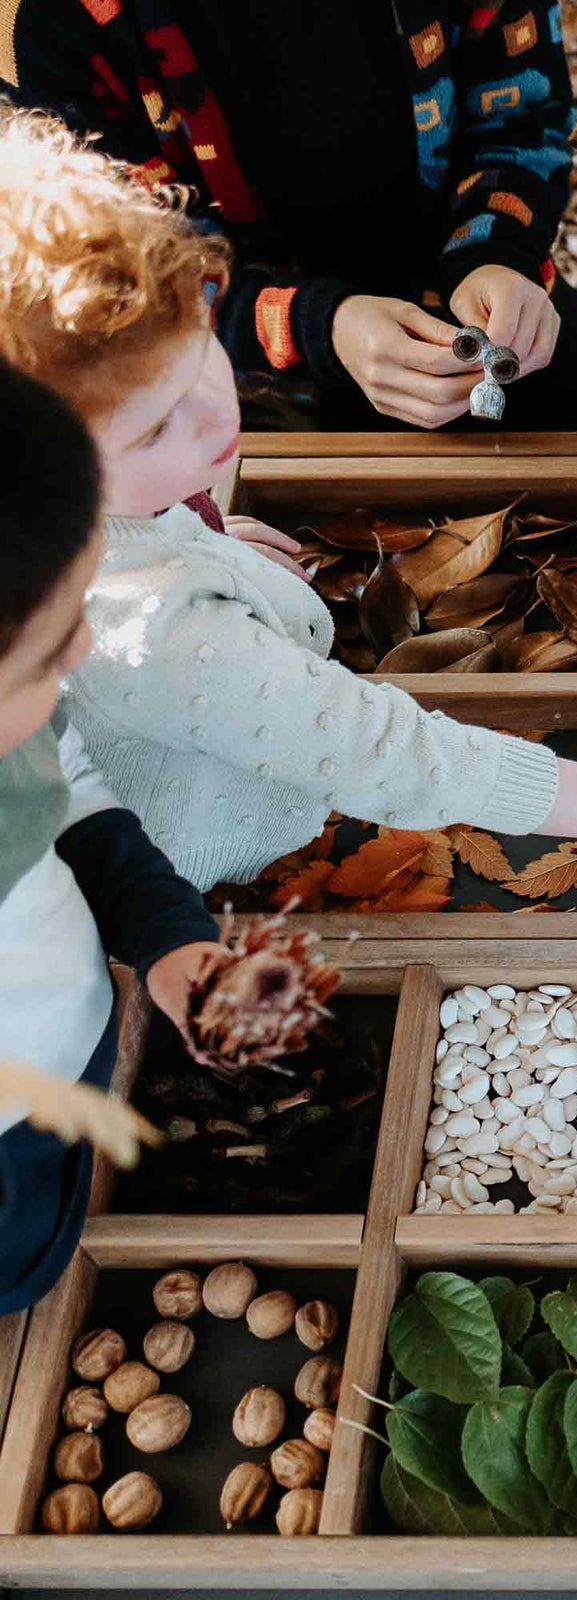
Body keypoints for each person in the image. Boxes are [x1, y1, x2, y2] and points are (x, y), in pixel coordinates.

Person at [0, 110, 577, 896]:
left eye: (200, 354)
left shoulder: (88, 510)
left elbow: (140, 540)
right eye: (154, 429)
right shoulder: (152, 632)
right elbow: (377, 748)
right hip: (225, 845)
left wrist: (201, 539)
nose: (217, 416)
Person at [1, 0, 577, 431]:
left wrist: (496, 253)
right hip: (236, 362)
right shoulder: (74, 23)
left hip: (454, 286)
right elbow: (127, 275)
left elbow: (521, 116)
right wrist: (317, 325)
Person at [0, 363, 227, 1314]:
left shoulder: (15, 729)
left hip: (70, 1051)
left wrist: (168, 933)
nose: (83, 652)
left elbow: (68, 792)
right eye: (51, 653)